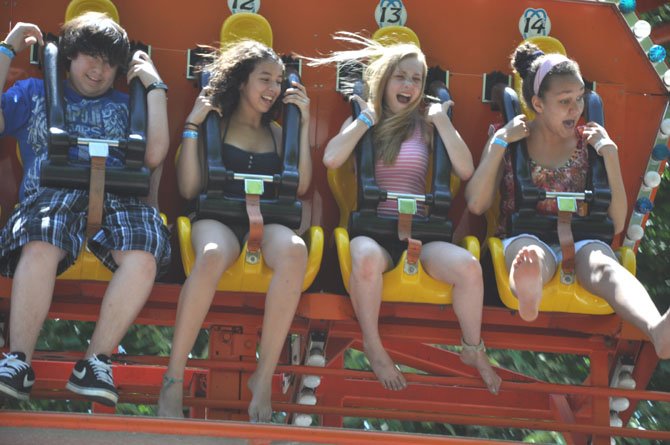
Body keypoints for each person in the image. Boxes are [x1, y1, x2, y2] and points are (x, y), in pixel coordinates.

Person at [313, 33, 501, 394]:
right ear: (384, 81)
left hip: (422, 232)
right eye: (401, 77)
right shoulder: (365, 120)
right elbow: (332, 158)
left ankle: (472, 348)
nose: (409, 85)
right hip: (374, 229)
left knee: (468, 267)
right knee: (365, 257)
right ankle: (372, 343)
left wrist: (443, 122)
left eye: (416, 79)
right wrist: (364, 121)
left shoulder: (425, 126)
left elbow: (464, 170)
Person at [0, 13, 171, 406]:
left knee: (145, 251)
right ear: (69, 58)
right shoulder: (34, 93)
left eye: (110, 62)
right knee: (42, 236)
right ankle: (18, 360)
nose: (99, 70)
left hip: (118, 198)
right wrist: (7, 49)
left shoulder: (128, 106)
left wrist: (155, 87)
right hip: (54, 193)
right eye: (90, 58)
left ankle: (96, 360)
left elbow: (154, 154)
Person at [465, 42, 670, 358]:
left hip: (584, 239)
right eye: (564, 101)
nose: (575, 109)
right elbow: (477, 204)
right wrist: (499, 142)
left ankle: (656, 329)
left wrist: (610, 156)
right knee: (530, 253)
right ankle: (528, 291)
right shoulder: (507, 135)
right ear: (538, 103)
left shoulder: (591, 142)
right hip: (523, 234)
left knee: (605, 267)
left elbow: (615, 223)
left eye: (579, 99)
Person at [158, 39, 312, 422]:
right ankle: (173, 380)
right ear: (242, 82)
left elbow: (302, 186)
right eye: (264, 79)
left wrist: (302, 125)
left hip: (266, 222)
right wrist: (193, 125)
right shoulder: (216, 125)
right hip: (218, 219)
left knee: (295, 250)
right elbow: (189, 188)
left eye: (278, 81)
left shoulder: (278, 134)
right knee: (210, 255)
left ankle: (263, 378)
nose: (273, 89)